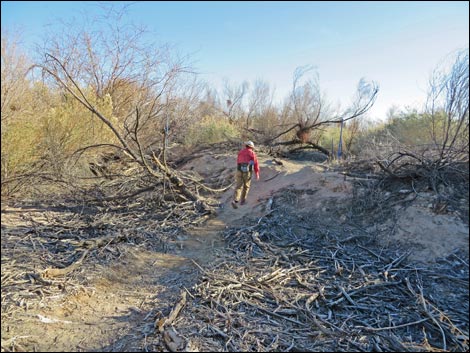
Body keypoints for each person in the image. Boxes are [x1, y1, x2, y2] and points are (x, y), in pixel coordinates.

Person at [231, 140, 260, 209]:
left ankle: (235, 200)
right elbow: (256, 164)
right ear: (252, 147)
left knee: (238, 186)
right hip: (247, 171)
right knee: (246, 186)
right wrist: (257, 173)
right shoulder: (252, 153)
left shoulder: (240, 152)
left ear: (246, 146)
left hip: (239, 170)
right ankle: (243, 201)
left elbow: (238, 161)